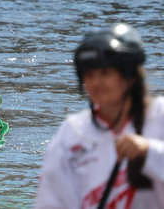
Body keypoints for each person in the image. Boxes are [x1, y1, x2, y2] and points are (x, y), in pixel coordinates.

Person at [35, 24, 164, 208]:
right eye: (89, 74)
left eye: (105, 73)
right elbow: (51, 201)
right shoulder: (72, 133)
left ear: (131, 77)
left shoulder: (160, 116)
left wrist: (149, 151)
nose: (96, 82)